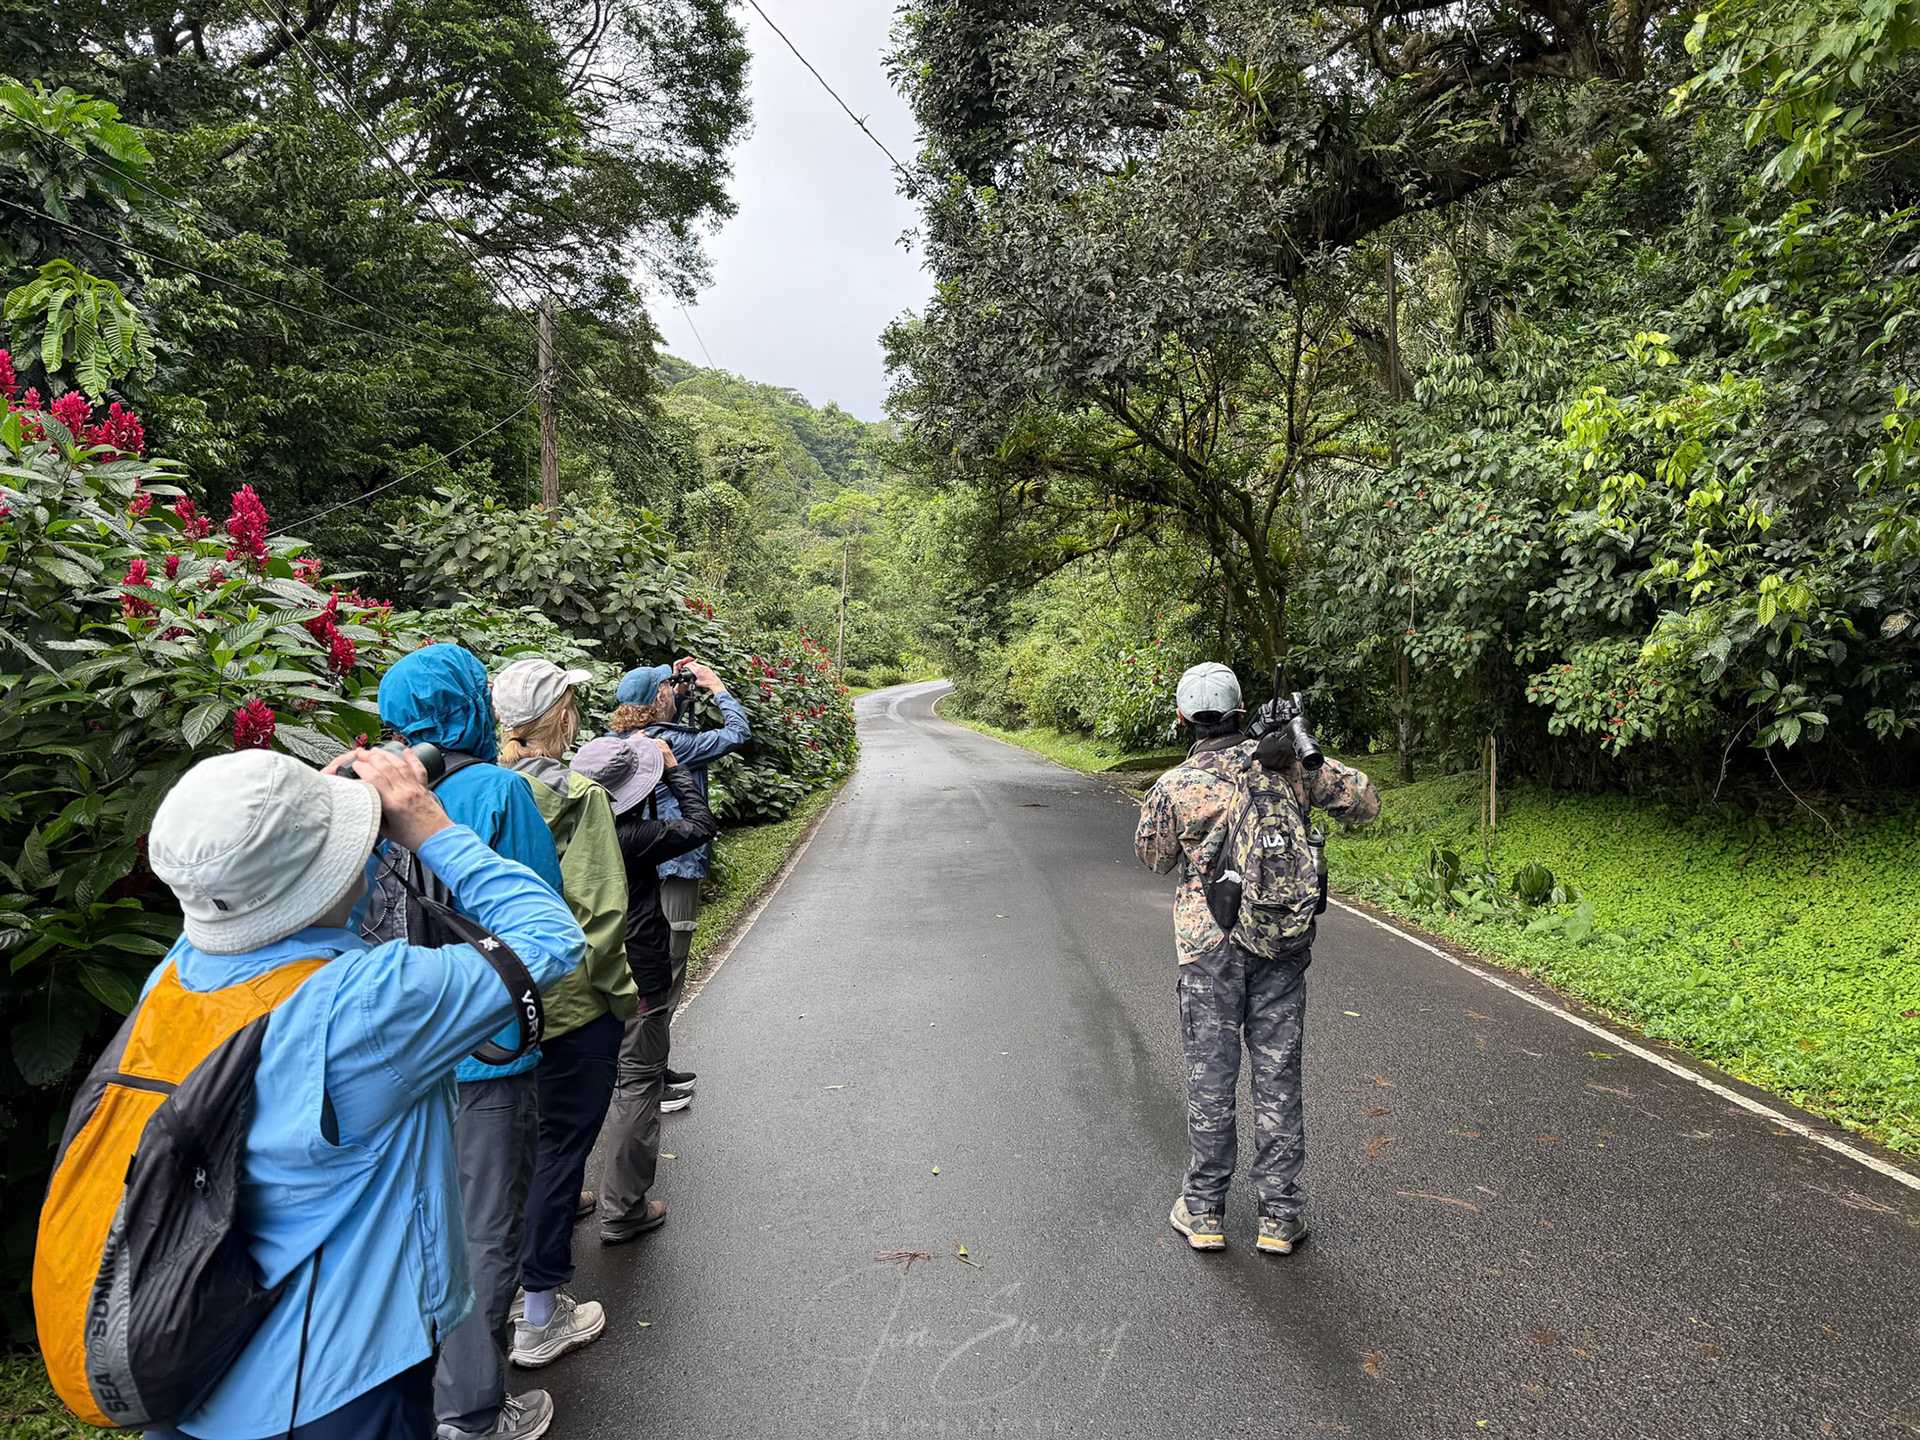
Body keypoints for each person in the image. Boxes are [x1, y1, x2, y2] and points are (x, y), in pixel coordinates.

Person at [139, 745, 585, 1439]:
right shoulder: (365, 1005)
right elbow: (551, 937)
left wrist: (285, 829)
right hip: (329, 1390)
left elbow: (247, 921)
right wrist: (424, 820)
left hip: (190, 1362)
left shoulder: (172, 983)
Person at [376, 645, 563, 1440]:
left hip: (396, 1054)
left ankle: (421, 1398)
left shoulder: (368, 795)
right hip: (487, 1049)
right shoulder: (497, 791)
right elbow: (537, 923)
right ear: (470, 709)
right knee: (484, 1235)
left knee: (413, 1233)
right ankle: (474, 1413)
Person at [1134, 662, 1379, 1256]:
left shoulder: (1175, 786)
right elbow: (1365, 804)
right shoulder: (1286, 768)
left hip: (1208, 947)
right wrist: (1304, 750)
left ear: (1183, 719)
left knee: (1210, 1078)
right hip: (1282, 942)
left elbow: (1153, 858)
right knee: (1277, 1075)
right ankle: (1279, 1214)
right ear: (1242, 713)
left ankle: (1205, 1211)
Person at [491, 658, 635, 1372]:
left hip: (493, 1011)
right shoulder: (580, 797)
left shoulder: (475, 793)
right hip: (573, 1007)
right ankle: (540, 1311)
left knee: (508, 1155)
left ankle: (503, 1296)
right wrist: (622, 999)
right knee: (558, 1153)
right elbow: (600, 918)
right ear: (564, 716)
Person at [570, 731, 718, 1244]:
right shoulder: (631, 834)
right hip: (637, 970)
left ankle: (564, 1196)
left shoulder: (561, 822)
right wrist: (673, 769)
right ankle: (624, 1208)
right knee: (637, 1084)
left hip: (578, 973)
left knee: (573, 1085)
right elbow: (700, 824)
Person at [607, 657, 749, 1109]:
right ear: (657, 700)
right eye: (669, 686)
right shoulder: (671, 744)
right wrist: (717, 687)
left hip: (638, 864)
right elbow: (737, 734)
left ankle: (652, 1065)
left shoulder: (624, 738)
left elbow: (666, 714)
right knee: (667, 971)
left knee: (645, 970)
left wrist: (679, 693)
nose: (677, 687)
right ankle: (650, 1078)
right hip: (676, 863)